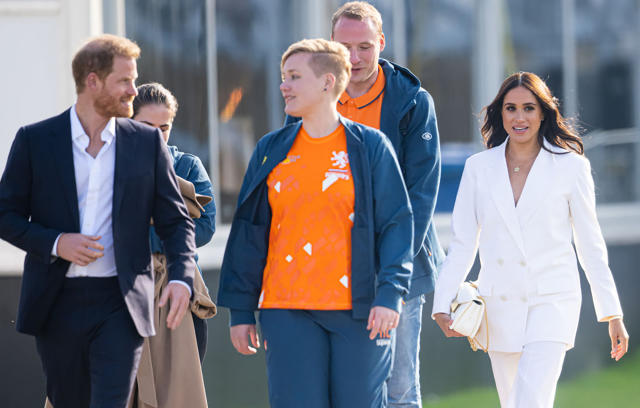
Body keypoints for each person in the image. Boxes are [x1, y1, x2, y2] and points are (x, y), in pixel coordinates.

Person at [0, 34, 196, 408]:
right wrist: (58, 242)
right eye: (125, 81)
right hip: (56, 304)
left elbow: (176, 221)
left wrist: (181, 278)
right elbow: (5, 215)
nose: (134, 91)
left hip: (120, 304)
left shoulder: (145, 143)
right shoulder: (35, 140)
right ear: (92, 80)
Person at [218, 38, 413, 407]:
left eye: (294, 76)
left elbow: (396, 224)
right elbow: (250, 231)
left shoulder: (371, 146)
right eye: (282, 77)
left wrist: (391, 293)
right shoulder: (270, 149)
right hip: (285, 310)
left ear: (327, 82)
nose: (283, 86)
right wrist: (241, 310)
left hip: (360, 311)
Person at [432, 71, 629, 407]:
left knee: (531, 400)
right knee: (514, 402)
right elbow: (464, 243)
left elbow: (590, 245)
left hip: (553, 301)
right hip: (499, 305)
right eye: (511, 108)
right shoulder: (478, 168)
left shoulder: (571, 167)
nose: (519, 117)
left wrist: (613, 312)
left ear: (543, 113)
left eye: (528, 108)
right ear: (500, 113)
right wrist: (441, 303)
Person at [285, 3, 444, 406]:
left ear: (381, 44)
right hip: (328, 271)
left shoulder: (412, 102)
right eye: (344, 47)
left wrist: (392, 265)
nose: (354, 59)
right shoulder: (310, 98)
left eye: (365, 47)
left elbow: (420, 195)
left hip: (397, 268)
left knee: (400, 389)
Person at [132, 82, 216, 363]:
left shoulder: (188, 167)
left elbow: (205, 228)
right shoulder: (112, 166)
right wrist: (170, 228)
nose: (157, 136)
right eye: (147, 126)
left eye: (164, 128)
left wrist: (147, 232)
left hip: (179, 290)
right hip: (124, 292)